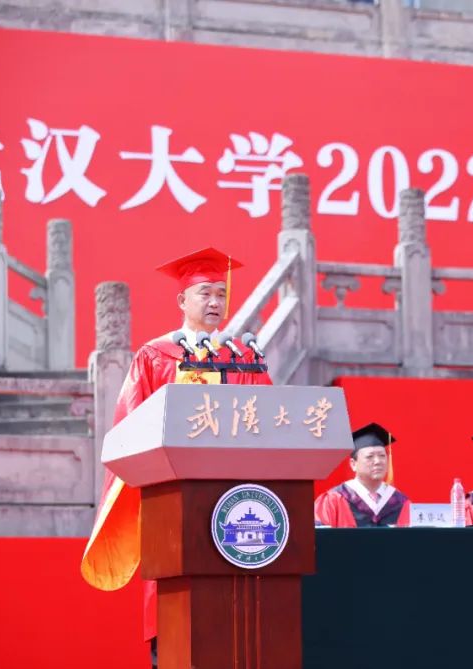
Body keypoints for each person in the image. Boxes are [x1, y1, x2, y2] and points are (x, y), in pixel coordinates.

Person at [79, 247, 272, 642]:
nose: (215, 302)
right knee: (172, 576)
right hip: (172, 492)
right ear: (182, 300)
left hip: (232, 491)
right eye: (206, 293)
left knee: (231, 575)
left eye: (221, 293)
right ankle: (165, 658)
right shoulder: (155, 356)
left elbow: (268, 419)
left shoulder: (242, 358)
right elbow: (131, 424)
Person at [314, 422, 410, 527]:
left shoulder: (400, 501)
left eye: (382, 456)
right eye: (369, 457)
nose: (377, 461)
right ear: (353, 464)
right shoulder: (334, 500)